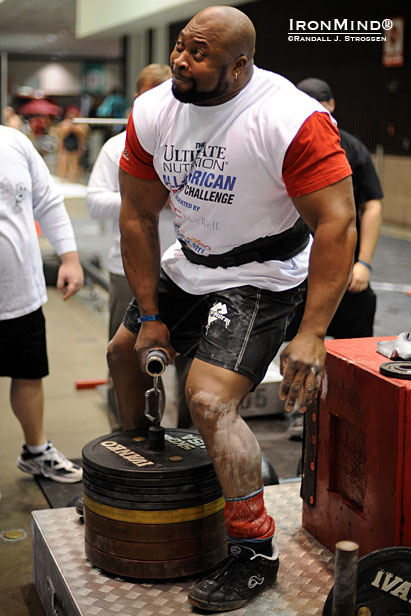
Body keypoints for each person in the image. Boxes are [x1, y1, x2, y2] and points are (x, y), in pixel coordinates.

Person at [109, 5, 356, 611]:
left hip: (263, 274)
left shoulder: (288, 118)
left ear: (240, 64)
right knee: (121, 353)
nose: (180, 62)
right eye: (180, 48)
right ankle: (136, 485)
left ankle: (253, 551)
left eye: (198, 55)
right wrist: (149, 315)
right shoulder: (154, 110)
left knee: (210, 400)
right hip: (190, 259)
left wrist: (313, 332)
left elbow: (337, 221)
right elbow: (138, 216)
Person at [286, 77, 384, 440]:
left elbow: (371, 205)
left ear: (331, 107)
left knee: (350, 351)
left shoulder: (351, 148)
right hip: (294, 272)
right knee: (298, 345)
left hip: (343, 271)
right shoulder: (287, 140)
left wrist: (365, 264)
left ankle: (351, 418)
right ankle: (301, 413)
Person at [86, 64, 172, 430]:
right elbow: (94, 202)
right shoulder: (116, 146)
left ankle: (181, 442)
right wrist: (143, 200)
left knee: (183, 365)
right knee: (124, 359)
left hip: (185, 272)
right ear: (139, 99)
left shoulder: (188, 142)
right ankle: (122, 437)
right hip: (129, 273)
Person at [0, 125, 84, 483]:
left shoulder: (13, 141)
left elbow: (47, 201)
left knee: (29, 374)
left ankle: (35, 452)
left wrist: (69, 258)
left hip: (20, 293)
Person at [56, 107, 89, 183]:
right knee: (62, 163)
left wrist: (76, 129)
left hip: (75, 146)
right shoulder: (64, 124)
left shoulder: (81, 125)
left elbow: (83, 137)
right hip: (65, 145)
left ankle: (72, 180)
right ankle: (61, 179)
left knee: (73, 165)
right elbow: (60, 136)